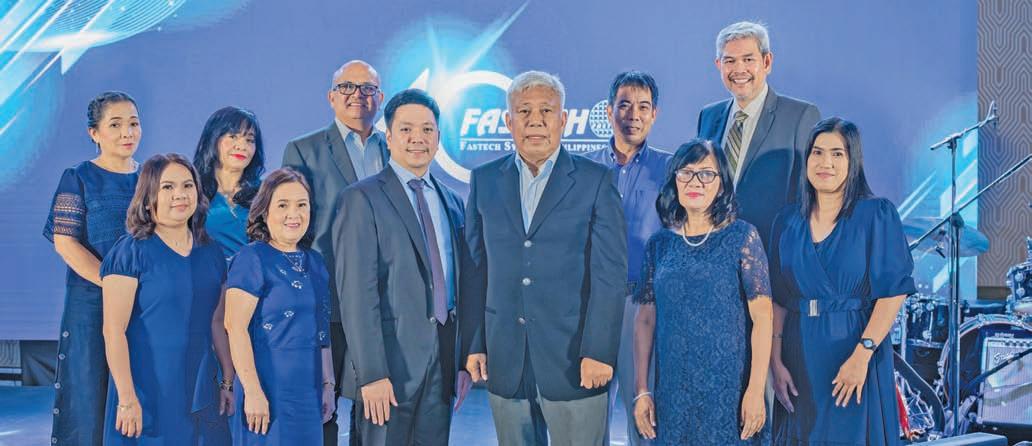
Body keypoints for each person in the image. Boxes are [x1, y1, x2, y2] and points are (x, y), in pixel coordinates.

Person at [461, 71, 628, 446]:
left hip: (575, 361)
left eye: (546, 111)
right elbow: (475, 270)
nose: (535, 120)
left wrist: (599, 351)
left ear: (563, 119)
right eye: (524, 111)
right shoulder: (484, 180)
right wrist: (474, 342)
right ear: (509, 121)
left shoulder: (595, 180)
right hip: (506, 357)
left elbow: (610, 275)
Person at [335, 89, 471, 445]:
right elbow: (356, 295)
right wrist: (371, 373)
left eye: (427, 130)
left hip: (441, 367)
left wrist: (460, 361)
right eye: (407, 129)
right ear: (389, 136)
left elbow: (459, 287)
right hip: (387, 373)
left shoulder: (453, 201)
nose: (417, 138)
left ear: (438, 138)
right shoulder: (361, 198)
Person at [768, 117, 915, 445]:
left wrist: (862, 355)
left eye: (837, 154)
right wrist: (775, 362)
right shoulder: (786, 221)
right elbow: (778, 299)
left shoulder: (876, 214)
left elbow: (892, 294)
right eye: (817, 153)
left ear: (853, 161)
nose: (826, 163)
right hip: (798, 354)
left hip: (853, 351)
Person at [631, 139, 772, 444]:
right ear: (675, 180)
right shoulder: (659, 244)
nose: (695, 182)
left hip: (730, 393)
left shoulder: (742, 237)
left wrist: (755, 389)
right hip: (673, 395)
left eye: (707, 174)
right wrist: (641, 390)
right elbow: (645, 320)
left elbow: (763, 318)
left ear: (721, 185)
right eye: (686, 172)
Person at [282, 59, 389, 444]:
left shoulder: (394, 148)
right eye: (347, 87)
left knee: (375, 409)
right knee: (321, 408)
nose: (357, 95)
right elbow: (290, 231)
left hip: (382, 302)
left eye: (367, 88)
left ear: (380, 98)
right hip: (324, 299)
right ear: (331, 97)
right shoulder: (304, 150)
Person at [100, 153, 232, 444]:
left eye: (187, 185)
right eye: (168, 187)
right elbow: (113, 331)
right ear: (148, 198)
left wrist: (227, 381)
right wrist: (127, 398)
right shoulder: (129, 252)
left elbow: (217, 322)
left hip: (202, 389)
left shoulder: (212, 252)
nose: (180, 195)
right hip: (147, 391)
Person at [44, 91, 141, 446]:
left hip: (144, 304)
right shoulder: (79, 177)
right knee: (89, 397)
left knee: (140, 394)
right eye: (115, 124)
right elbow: (65, 243)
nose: (127, 132)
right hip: (91, 304)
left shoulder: (151, 178)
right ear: (94, 133)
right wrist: (111, 282)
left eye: (133, 123)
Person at [583, 71, 671, 446]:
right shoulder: (582, 169)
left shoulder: (671, 169)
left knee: (646, 420)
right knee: (587, 422)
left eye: (643, 106)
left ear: (655, 114)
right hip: (592, 306)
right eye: (624, 105)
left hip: (644, 306)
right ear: (609, 111)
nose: (633, 114)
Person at [223, 168, 334, 444]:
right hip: (265, 389)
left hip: (309, 393)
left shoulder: (315, 263)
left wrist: (328, 385)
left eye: (302, 205)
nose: (293, 214)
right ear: (265, 211)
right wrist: (252, 390)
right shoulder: (251, 258)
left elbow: (322, 333)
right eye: (283, 205)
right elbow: (234, 327)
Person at [696, 21, 820, 247]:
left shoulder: (800, 116)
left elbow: (809, 197)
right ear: (718, 65)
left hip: (771, 251)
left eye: (748, 59)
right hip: (711, 249)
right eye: (729, 61)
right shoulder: (708, 116)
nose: (739, 69)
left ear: (767, 62)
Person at [192, 106, 266, 259]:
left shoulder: (265, 193)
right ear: (213, 139)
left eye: (249, 140)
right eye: (233, 136)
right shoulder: (192, 190)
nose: (242, 146)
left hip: (255, 273)